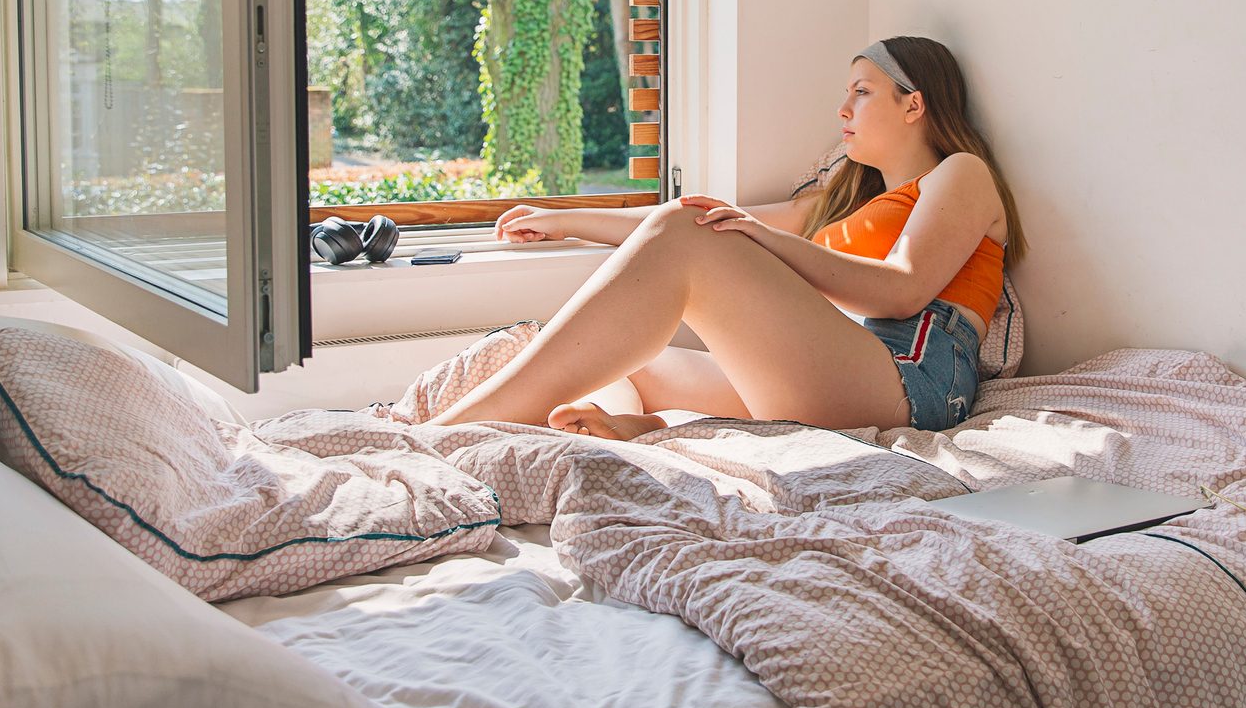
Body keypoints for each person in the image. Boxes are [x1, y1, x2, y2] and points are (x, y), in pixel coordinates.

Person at [433, 36, 1028, 438]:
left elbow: (901, 291)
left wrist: (767, 241)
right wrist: (566, 220)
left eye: (862, 91)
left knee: (688, 236)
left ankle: (455, 430)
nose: (842, 108)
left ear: (913, 104)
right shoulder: (840, 205)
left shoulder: (961, 174)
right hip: (835, 368)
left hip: (910, 380)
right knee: (623, 361)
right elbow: (691, 223)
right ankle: (637, 430)